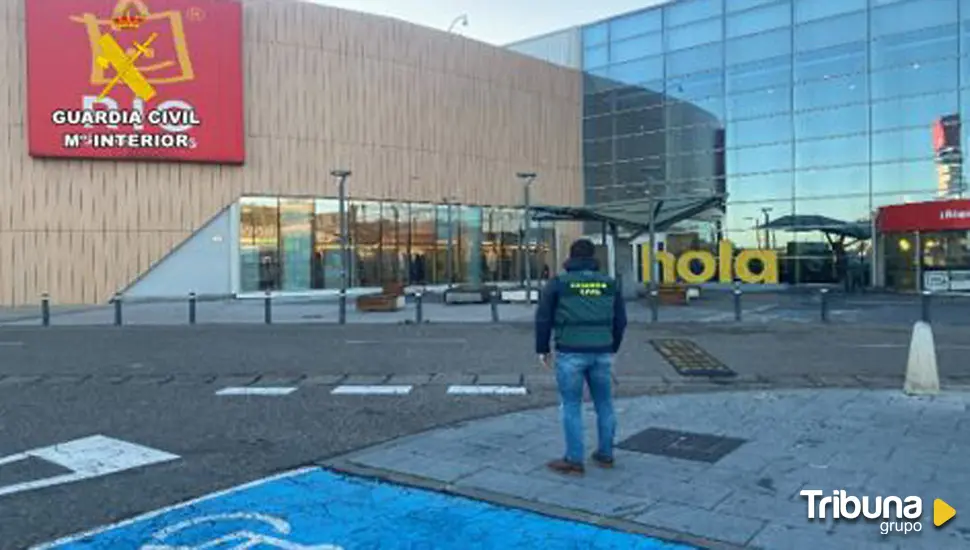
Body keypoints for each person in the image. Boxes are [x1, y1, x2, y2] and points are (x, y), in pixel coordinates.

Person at [535, 238, 627, 475]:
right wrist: (611, 346)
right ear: (593, 257)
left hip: (570, 351)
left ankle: (574, 460)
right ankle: (606, 455)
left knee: (571, 405)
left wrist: (542, 349)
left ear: (571, 257)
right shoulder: (609, 284)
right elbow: (621, 321)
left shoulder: (558, 283)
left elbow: (543, 317)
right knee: (604, 404)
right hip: (602, 352)